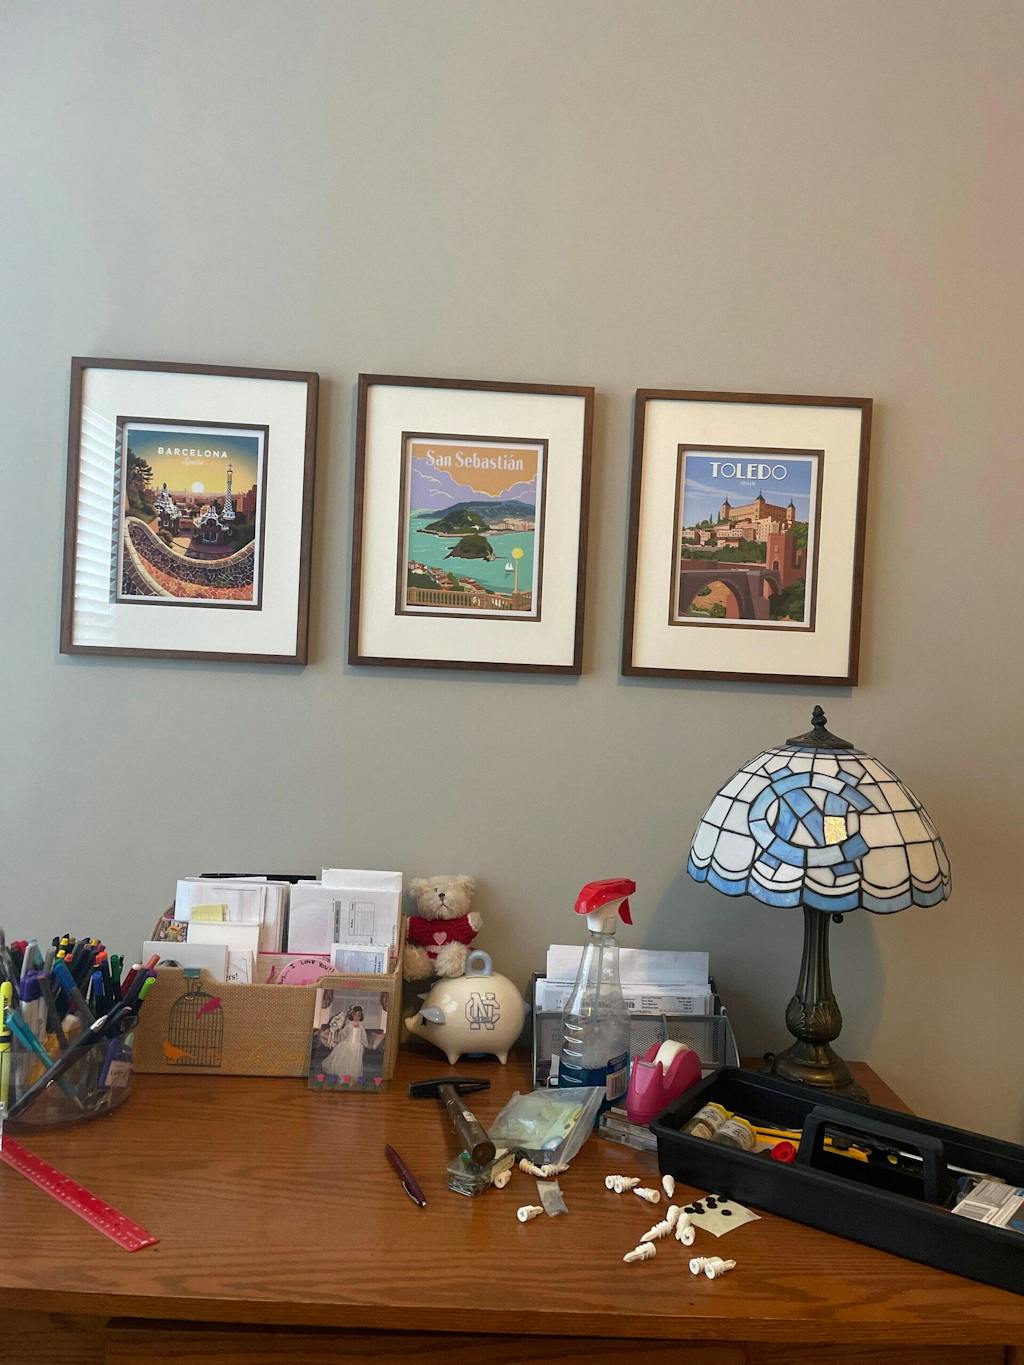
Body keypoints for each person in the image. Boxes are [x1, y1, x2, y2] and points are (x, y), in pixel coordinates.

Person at [323, 1005, 368, 1080]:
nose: (357, 1017)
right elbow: (343, 1034)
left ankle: (352, 1075)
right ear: (352, 1015)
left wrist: (364, 1046)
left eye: (359, 1015)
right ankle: (344, 1074)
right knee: (346, 1060)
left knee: (354, 1062)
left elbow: (363, 1036)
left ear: (361, 1016)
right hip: (348, 1045)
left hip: (357, 1047)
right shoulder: (349, 1024)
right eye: (356, 1015)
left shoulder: (361, 1026)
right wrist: (341, 1030)